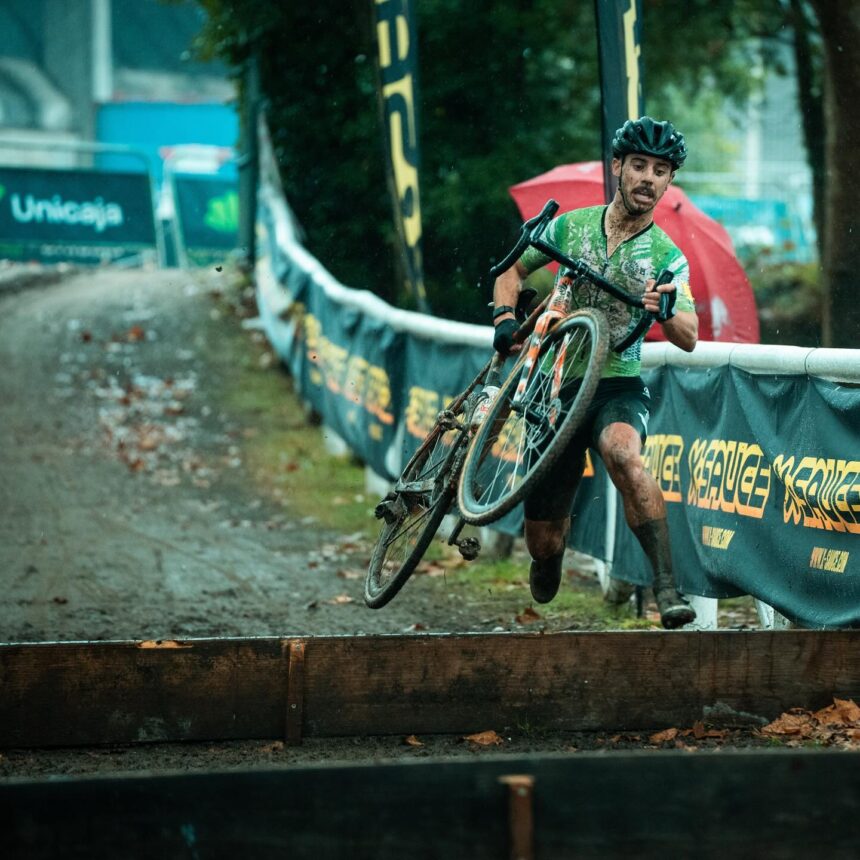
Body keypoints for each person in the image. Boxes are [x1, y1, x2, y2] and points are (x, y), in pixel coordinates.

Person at [491, 116, 697, 629]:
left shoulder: (668, 257)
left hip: (616, 382)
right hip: (558, 382)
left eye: (661, 170)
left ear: (669, 183)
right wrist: (505, 319)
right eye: (640, 166)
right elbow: (511, 271)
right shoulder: (571, 226)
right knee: (543, 543)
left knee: (623, 455)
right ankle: (550, 554)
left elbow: (689, 336)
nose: (649, 178)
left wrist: (667, 311)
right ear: (618, 168)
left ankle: (667, 588)